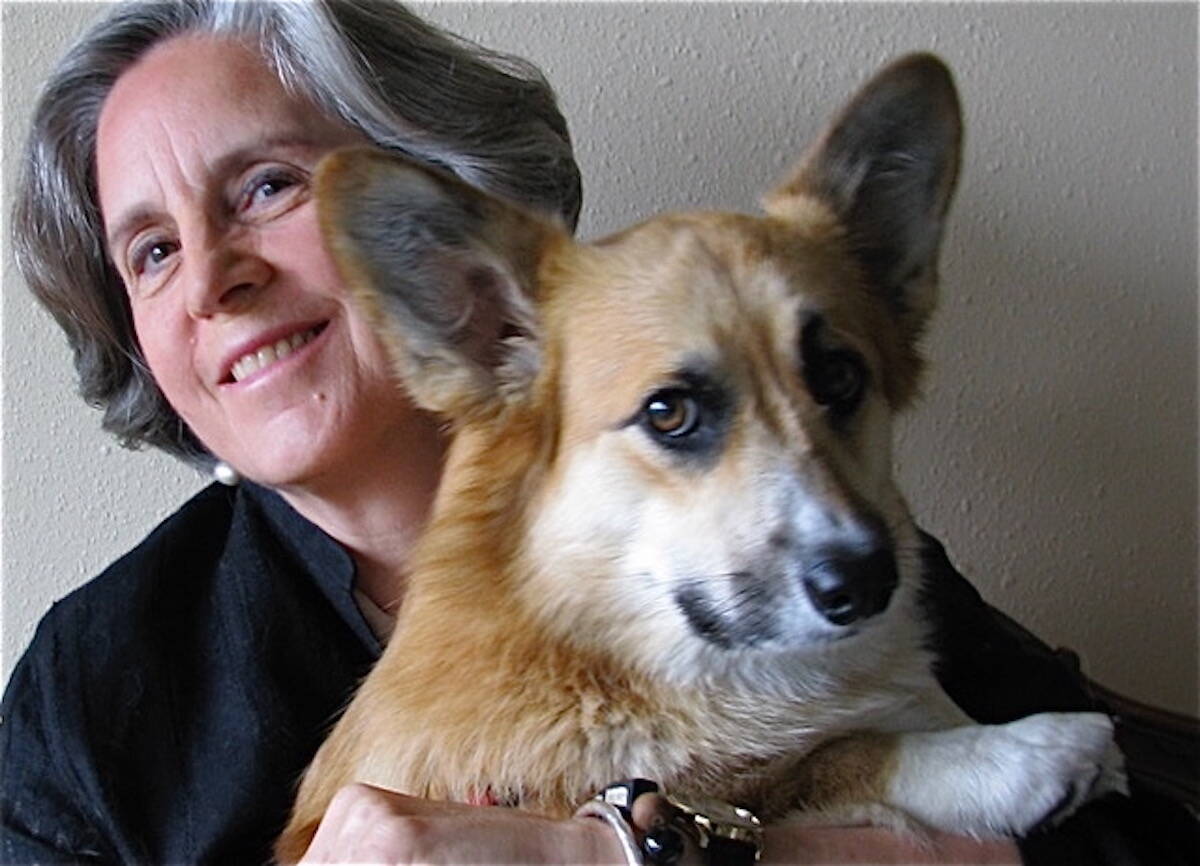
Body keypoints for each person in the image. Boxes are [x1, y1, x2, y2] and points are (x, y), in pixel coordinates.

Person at [1, 1, 1194, 864]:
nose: (212, 278)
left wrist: (624, 848)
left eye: (265, 186)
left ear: (442, 228)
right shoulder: (95, 687)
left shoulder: (823, 546)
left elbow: (1121, 826)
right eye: (150, 250)